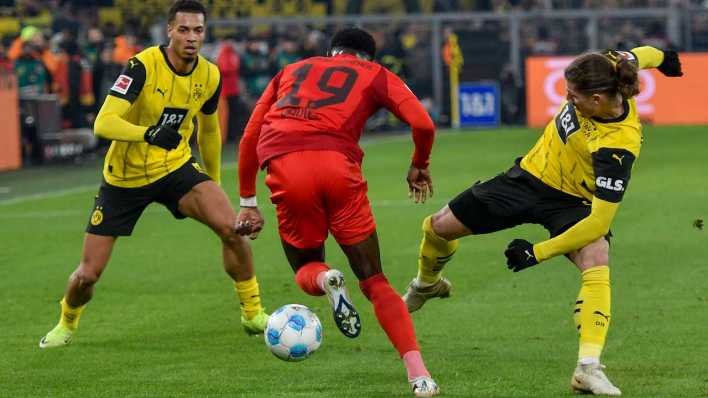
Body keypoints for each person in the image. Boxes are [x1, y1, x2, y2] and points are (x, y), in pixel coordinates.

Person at [402, 46, 683, 395]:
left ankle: (588, 368)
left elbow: (597, 223)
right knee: (437, 226)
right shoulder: (611, 66)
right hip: (527, 177)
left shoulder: (617, 147)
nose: (566, 99)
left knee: (597, 256)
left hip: (572, 203)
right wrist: (665, 57)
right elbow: (641, 55)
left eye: (573, 96)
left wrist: (536, 252)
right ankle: (427, 284)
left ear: (597, 100)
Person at [39, 0, 268, 349]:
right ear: (170, 31)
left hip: (174, 167)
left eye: (198, 30)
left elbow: (208, 131)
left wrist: (214, 186)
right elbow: (103, 122)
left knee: (232, 229)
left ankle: (253, 313)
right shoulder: (142, 65)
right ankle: (66, 322)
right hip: (124, 178)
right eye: (185, 29)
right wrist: (147, 132)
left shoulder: (210, 74)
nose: (192, 37)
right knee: (87, 275)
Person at [237, 28, 440, 397]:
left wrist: (248, 201)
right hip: (337, 167)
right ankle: (420, 376)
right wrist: (419, 164)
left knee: (305, 267)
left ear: (331, 52)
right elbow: (424, 123)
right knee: (375, 281)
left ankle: (326, 279)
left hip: (285, 165)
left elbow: (250, 135)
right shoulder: (377, 74)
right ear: (369, 57)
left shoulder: (291, 70)